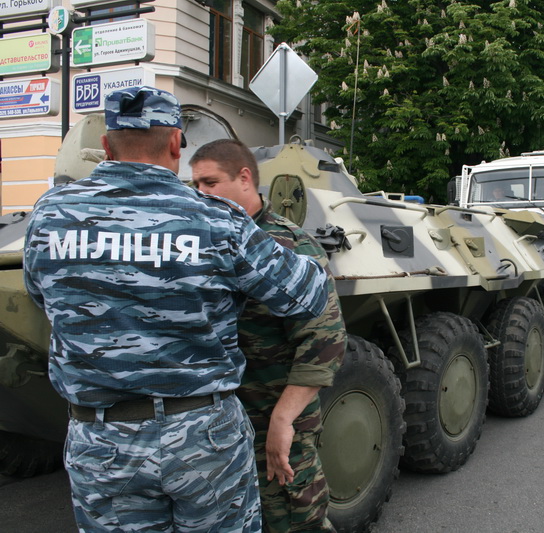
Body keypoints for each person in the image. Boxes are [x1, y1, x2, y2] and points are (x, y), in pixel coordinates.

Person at [23, 86, 330, 532]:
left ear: (106, 145)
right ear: (174, 143)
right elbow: (307, 296)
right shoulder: (216, 218)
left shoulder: (50, 215)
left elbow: (42, 298)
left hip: (101, 439)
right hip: (201, 435)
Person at [189, 139, 346, 532]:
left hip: (270, 417)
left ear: (245, 178)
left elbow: (325, 341)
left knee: (292, 518)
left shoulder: (290, 245)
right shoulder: (200, 243)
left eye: (210, 183)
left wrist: (282, 419)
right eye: (195, 185)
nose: (201, 194)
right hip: (218, 422)